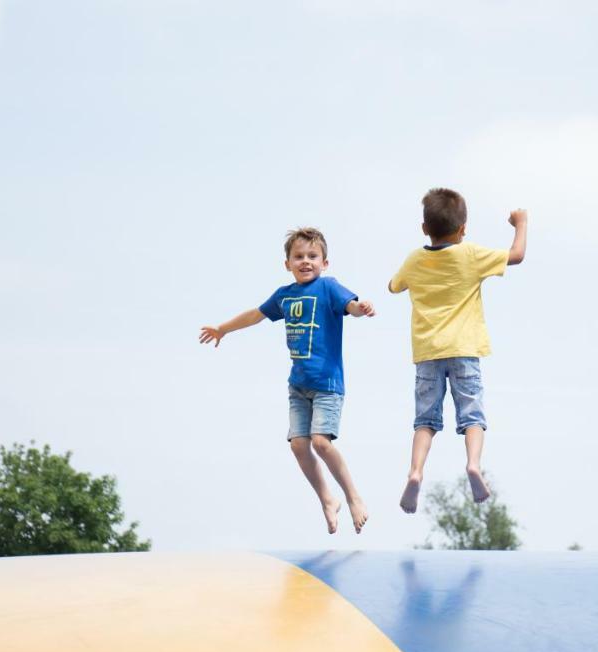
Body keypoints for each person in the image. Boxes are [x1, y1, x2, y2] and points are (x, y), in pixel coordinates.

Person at [200, 227, 375, 534]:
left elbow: (350, 306)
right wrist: (223, 329)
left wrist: (360, 308)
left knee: (321, 442)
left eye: (312, 256)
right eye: (298, 257)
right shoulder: (285, 295)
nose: (305, 261)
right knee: (298, 445)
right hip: (298, 385)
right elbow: (255, 314)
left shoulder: (328, 288)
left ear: (325, 262)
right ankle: (326, 499)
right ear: (287, 264)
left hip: (327, 385)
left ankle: (353, 497)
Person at [388, 188, 527, 514]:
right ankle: (473, 465)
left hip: (427, 353)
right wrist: (520, 222)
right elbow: (517, 255)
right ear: (463, 230)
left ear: (425, 228)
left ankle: (415, 471)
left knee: (425, 420)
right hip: (464, 349)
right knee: (472, 415)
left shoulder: (414, 259)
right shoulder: (471, 255)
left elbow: (393, 286)